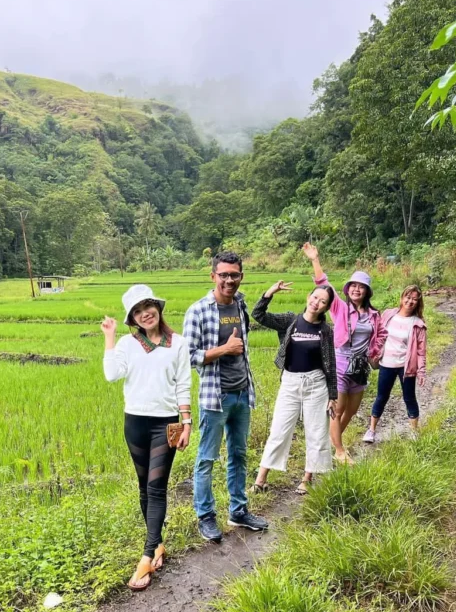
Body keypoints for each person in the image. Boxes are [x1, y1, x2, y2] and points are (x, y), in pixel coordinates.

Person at [102, 284, 192, 591]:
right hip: (135, 422)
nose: (145, 314)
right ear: (133, 318)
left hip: (165, 424)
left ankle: (146, 554)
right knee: (144, 487)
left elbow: (183, 384)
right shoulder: (128, 344)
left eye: (148, 306)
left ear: (157, 307)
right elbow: (112, 375)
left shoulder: (177, 343)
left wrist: (187, 422)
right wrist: (110, 338)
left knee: (157, 485)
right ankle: (158, 545)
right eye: (138, 311)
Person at [183, 251, 269, 542]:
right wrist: (223, 350)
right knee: (207, 459)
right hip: (214, 397)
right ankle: (205, 516)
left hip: (242, 394)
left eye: (234, 275)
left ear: (240, 276)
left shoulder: (240, 303)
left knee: (238, 455)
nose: (229, 280)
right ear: (213, 276)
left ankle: (239, 511)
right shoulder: (198, 311)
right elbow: (188, 356)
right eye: (224, 275)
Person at [303, 242, 386, 465]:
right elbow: (323, 283)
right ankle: (339, 451)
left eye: (361, 287)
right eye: (353, 286)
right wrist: (315, 259)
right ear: (347, 289)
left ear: (367, 291)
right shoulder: (339, 307)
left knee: (351, 410)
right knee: (337, 409)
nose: (356, 289)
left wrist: (376, 353)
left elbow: (380, 336)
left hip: (360, 366)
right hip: (340, 362)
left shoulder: (374, 315)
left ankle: (333, 441)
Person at [251, 279, 337, 494]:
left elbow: (331, 364)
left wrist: (333, 395)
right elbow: (259, 315)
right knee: (279, 430)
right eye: (315, 297)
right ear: (309, 297)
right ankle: (260, 480)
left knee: (316, 431)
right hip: (290, 382)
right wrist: (270, 291)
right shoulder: (291, 320)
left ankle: (307, 479)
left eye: (323, 302)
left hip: (316, 384)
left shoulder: (326, 331)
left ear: (326, 307)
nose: (317, 303)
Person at [364, 285, 427, 443]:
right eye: (408, 297)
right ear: (402, 298)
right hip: (386, 364)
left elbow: (421, 351)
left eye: (414, 299)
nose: (410, 301)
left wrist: (421, 371)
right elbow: (376, 333)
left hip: (406, 367)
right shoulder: (388, 315)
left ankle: (414, 431)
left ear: (418, 303)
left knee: (409, 398)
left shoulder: (418, 324)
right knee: (381, 397)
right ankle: (371, 430)